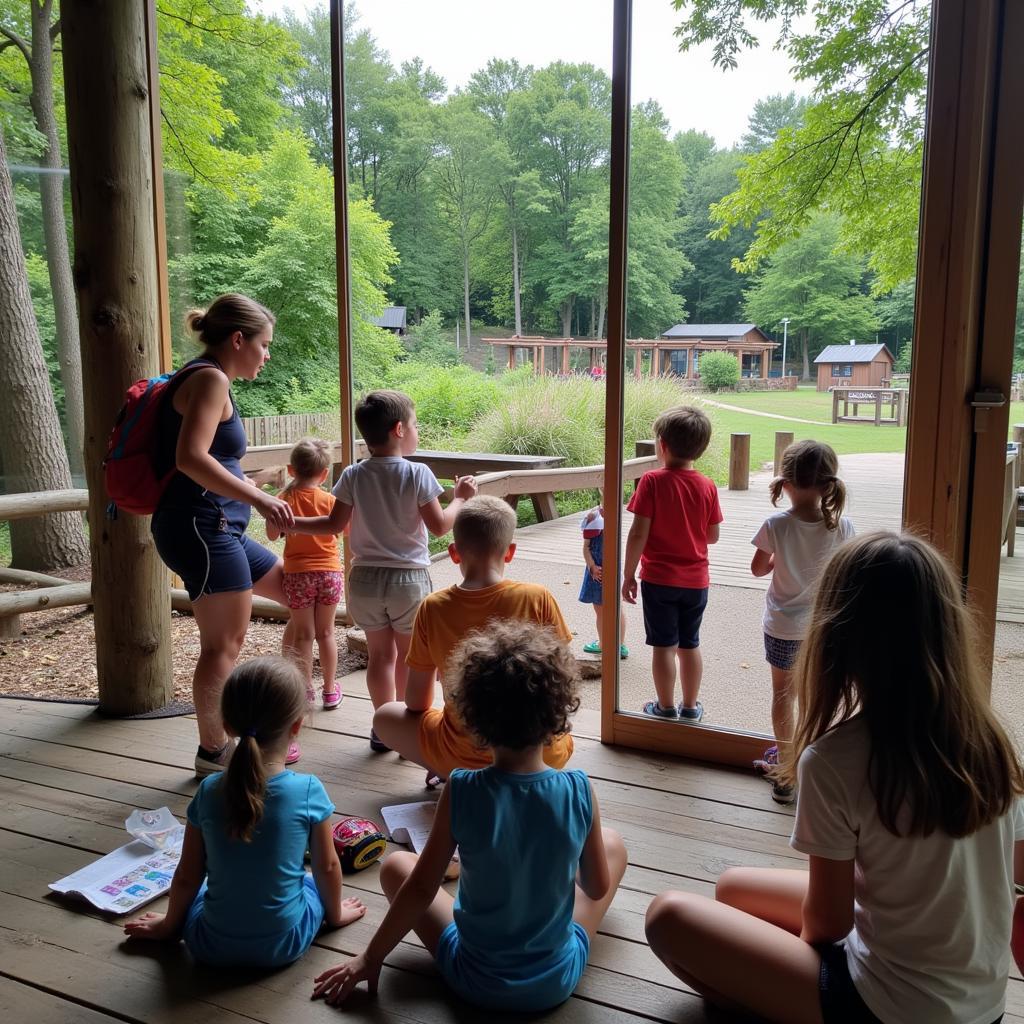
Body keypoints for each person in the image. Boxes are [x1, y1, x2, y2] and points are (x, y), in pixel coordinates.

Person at [645, 532, 1024, 1024]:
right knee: (733, 888)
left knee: (667, 916)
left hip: (881, 1007)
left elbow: (827, 925)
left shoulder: (834, 759)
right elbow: (1012, 877)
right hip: (982, 1008)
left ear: (837, 636)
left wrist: (800, 972)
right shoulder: (991, 742)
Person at [311, 620, 627, 1013]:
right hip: (553, 982)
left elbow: (422, 889)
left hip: (472, 978)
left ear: (473, 717)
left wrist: (370, 957)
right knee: (612, 845)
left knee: (396, 867)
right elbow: (595, 887)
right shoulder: (579, 789)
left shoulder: (463, 789)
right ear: (558, 711)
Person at [124, 657, 366, 966]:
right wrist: (336, 915)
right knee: (307, 883)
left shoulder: (209, 790)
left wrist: (169, 926)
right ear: (297, 725)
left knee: (205, 892)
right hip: (283, 943)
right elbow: (328, 868)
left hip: (209, 944)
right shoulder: (308, 790)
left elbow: (187, 876)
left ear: (226, 724)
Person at [150, 294, 301, 777]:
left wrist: (253, 490)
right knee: (224, 645)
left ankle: (288, 704)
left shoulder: (207, 377)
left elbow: (216, 461)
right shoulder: (211, 378)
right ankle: (213, 752)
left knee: (297, 591)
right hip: (201, 527)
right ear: (239, 339)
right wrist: (260, 501)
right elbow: (189, 459)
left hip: (219, 527)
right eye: (264, 344)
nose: (267, 354)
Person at [287, 390, 477, 751]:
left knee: (380, 657)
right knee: (411, 658)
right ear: (399, 429)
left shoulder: (354, 475)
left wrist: (291, 521)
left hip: (365, 580)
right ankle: (408, 726)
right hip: (408, 579)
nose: (418, 431)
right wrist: (461, 499)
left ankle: (382, 727)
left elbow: (331, 525)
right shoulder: (418, 473)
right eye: (416, 425)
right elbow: (439, 527)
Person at [372, 495, 574, 783]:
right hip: (544, 756)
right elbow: (563, 678)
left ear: (454, 553)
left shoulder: (433, 606)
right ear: (510, 552)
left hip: (462, 761)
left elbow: (416, 703)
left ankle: (444, 768)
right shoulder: (537, 597)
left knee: (385, 716)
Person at [750, 440, 853, 804]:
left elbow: (758, 568)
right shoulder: (841, 528)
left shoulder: (777, 524)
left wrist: (780, 560)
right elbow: (845, 575)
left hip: (782, 627)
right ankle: (817, 767)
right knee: (816, 696)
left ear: (786, 484)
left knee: (783, 695)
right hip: (823, 627)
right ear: (829, 486)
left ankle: (786, 771)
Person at [622, 405, 722, 722]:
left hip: (659, 580)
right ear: (701, 449)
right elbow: (712, 535)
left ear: (661, 445)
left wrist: (628, 574)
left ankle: (665, 707)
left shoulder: (651, 481)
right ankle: (691, 706)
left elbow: (638, 533)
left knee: (663, 646)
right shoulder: (707, 486)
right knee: (689, 644)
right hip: (696, 582)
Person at [266, 437, 343, 710]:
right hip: (330, 573)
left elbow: (272, 535)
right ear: (324, 474)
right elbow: (341, 530)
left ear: (290, 470)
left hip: (298, 574)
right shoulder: (331, 500)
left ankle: (307, 690)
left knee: (304, 635)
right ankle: (331, 690)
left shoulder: (282, 499)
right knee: (326, 633)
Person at [579, 498, 628, 659]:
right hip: (613, 568)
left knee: (600, 611)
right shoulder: (615, 518)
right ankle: (619, 645)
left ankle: (603, 644)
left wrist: (592, 566)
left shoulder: (594, 519)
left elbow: (586, 547)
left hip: (598, 573)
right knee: (617, 608)